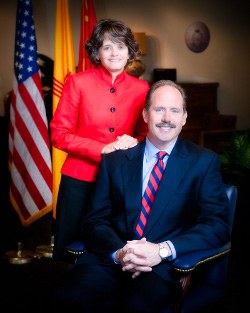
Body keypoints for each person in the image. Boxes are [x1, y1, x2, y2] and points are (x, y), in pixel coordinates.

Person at [53, 80, 230, 313]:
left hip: (163, 268)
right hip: (110, 260)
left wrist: (161, 250)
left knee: (136, 306)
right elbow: (94, 220)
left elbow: (216, 225)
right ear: (146, 115)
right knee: (65, 298)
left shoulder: (204, 162)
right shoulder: (115, 160)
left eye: (174, 110)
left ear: (184, 117)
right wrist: (120, 253)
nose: (167, 117)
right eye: (159, 109)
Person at [50, 19, 149, 261]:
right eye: (107, 47)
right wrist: (103, 148)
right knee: (67, 245)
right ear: (97, 51)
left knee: (112, 246)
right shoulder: (77, 82)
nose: (115, 53)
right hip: (79, 179)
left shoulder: (142, 88)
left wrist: (133, 142)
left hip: (120, 181)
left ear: (129, 52)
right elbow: (59, 134)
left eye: (121, 46)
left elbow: (145, 135)